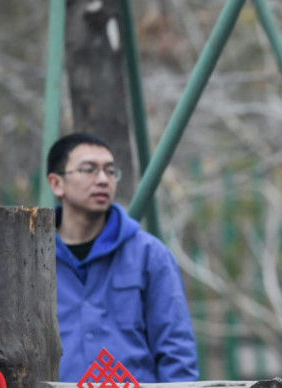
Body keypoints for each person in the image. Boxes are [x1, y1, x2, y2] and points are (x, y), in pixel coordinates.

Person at [46, 132, 199, 382]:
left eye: (110, 171)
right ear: (56, 183)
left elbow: (176, 352)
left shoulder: (150, 255)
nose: (103, 180)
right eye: (89, 170)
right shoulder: (30, 259)